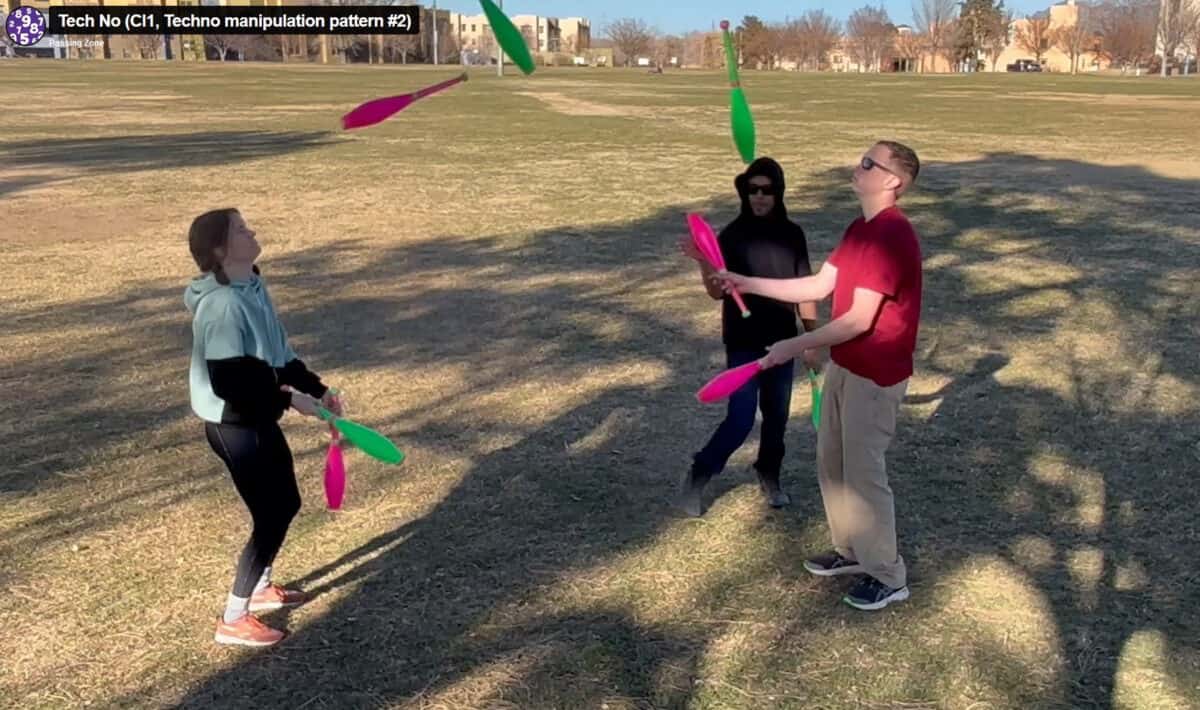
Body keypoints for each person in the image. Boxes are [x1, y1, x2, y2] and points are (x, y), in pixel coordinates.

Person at [714, 141, 922, 611]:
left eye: (870, 163)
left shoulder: (892, 235)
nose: (859, 165)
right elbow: (818, 285)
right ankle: (851, 551)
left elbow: (857, 320)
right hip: (847, 366)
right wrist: (746, 283)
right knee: (833, 463)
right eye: (861, 158)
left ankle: (889, 575)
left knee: (864, 474)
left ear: (893, 180)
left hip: (877, 374)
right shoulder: (860, 228)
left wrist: (793, 344)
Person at [185, 208, 343, 646]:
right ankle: (233, 618)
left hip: (257, 415)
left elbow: (278, 354)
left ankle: (259, 589)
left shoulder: (252, 284)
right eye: (240, 229)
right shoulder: (222, 305)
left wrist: (318, 388)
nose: (251, 231)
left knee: (286, 502)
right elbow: (230, 383)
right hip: (234, 423)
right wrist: (291, 399)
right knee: (270, 514)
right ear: (220, 250)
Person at [676, 156, 821, 517]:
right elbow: (715, 292)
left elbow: (806, 289)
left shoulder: (793, 235)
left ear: (778, 193)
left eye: (766, 191)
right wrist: (702, 261)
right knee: (740, 418)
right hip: (743, 341)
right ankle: (699, 473)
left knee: (777, 418)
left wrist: (811, 339)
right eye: (752, 190)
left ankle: (769, 473)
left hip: (782, 342)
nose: (759, 197)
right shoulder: (733, 235)